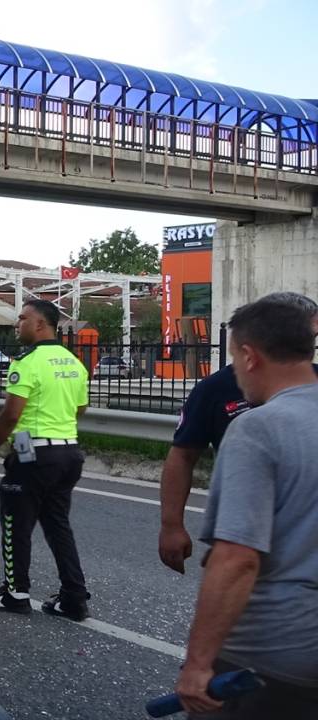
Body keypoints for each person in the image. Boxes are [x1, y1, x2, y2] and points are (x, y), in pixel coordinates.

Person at [174, 294, 318, 717]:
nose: (236, 372)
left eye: (235, 359)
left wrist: (198, 664)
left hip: (268, 653)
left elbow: (237, 559)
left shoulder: (256, 428)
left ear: (250, 356)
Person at [158, 292, 318, 574]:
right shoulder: (216, 391)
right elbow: (182, 455)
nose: (308, 346)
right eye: (307, 335)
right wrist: (172, 524)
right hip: (251, 538)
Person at [0, 299, 90, 621]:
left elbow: (11, 414)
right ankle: (73, 597)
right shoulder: (73, 362)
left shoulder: (27, 362)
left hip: (34, 455)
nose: (18, 323)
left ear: (41, 324)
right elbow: (80, 409)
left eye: (23, 318)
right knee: (58, 526)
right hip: (69, 453)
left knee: (16, 524)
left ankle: (15, 593)